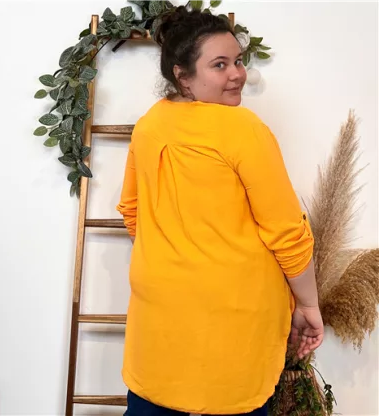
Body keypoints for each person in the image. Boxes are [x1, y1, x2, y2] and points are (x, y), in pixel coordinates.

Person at [116, 6, 324, 416]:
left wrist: (171, 260)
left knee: (152, 401)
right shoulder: (244, 130)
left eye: (238, 61)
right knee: (236, 405)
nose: (237, 74)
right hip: (234, 317)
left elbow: (132, 210)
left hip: (160, 311)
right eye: (219, 64)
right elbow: (286, 232)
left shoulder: (150, 124)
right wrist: (308, 305)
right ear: (183, 75)